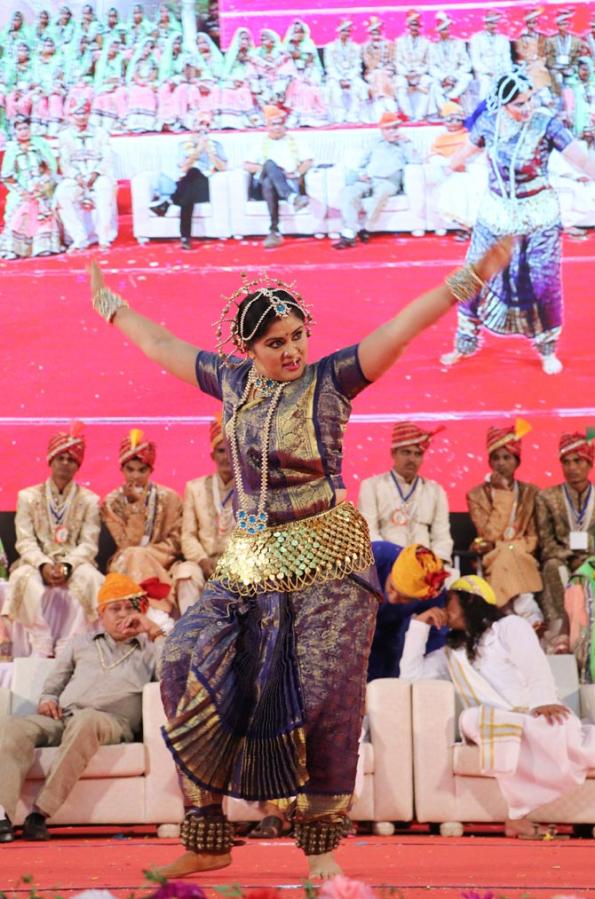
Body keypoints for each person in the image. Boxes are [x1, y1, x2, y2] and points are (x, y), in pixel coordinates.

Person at [88, 229, 512, 879]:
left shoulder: (331, 380)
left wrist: (469, 278)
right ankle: (206, 832)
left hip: (330, 564)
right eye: (274, 342)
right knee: (181, 657)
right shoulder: (230, 382)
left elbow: (397, 330)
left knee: (321, 694)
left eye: (295, 336)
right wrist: (111, 307)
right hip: (251, 563)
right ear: (248, 349)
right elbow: (164, 344)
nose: (291, 350)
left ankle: (319, 851)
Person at [401, 573, 595, 837]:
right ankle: (518, 813)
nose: (445, 610)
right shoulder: (449, 654)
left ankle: (518, 813)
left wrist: (544, 701)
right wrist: (419, 626)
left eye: (450, 602)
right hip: (489, 720)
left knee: (555, 727)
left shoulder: (509, 626)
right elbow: (411, 679)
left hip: (530, 715)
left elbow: (534, 665)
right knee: (474, 718)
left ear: (470, 600)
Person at [439, 69, 595, 375]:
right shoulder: (488, 123)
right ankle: (465, 340)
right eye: (519, 104)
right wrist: (452, 166)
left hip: (538, 216)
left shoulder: (546, 123)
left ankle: (547, 348)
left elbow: (582, 160)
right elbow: (459, 158)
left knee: (544, 282)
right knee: (470, 275)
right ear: (502, 103)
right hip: (495, 214)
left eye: (530, 101)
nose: (527, 109)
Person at [0, 573, 164, 844]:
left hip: (113, 722)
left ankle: (39, 814)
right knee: (10, 726)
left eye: (130, 607)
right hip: (64, 717)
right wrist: (47, 699)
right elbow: (54, 683)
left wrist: (153, 630)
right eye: (115, 608)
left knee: (87, 720)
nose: (124, 614)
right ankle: (2, 814)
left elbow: (174, 674)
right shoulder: (81, 643)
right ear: (101, 614)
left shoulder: (149, 648)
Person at [2, 424, 103, 658]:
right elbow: (24, 541)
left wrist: (68, 565)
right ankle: (40, 639)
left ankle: (72, 642)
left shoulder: (89, 499)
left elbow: (89, 543)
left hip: (74, 563)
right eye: (61, 457)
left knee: (93, 580)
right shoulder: (28, 496)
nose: (65, 463)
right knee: (21, 578)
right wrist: (43, 564)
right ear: (51, 460)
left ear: (78, 465)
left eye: (71, 459)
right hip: (38, 560)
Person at [101, 430, 183, 625]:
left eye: (142, 470)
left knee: (138, 555)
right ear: (122, 469)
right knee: (134, 554)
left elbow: (175, 541)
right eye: (130, 469)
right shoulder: (112, 503)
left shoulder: (169, 497)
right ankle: (152, 616)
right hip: (124, 561)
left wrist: (146, 555)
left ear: (151, 470)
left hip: (161, 561)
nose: (135, 476)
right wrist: (135, 508)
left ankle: (147, 615)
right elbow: (125, 544)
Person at [466, 422, 543, 626]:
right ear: (489, 461)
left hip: (522, 554)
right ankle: (528, 612)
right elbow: (487, 534)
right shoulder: (476, 495)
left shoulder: (531, 493)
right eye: (496, 458)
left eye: (507, 457)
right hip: (491, 556)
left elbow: (534, 536)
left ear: (517, 461)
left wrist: (511, 546)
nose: (501, 463)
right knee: (506, 554)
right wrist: (502, 495)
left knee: (510, 553)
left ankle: (507, 612)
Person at [359, 421, 453, 563]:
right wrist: (392, 558)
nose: (412, 459)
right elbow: (369, 533)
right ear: (393, 453)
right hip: (387, 564)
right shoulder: (372, 486)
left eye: (418, 454)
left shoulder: (436, 491)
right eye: (406, 452)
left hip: (425, 566)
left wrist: (435, 563)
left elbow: (442, 537)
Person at [535, 432, 595, 643]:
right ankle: (565, 625)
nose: (572, 467)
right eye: (566, 462)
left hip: (592, 559)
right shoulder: (547, 497)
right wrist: (570, 557)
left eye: (578, 461)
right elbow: (546, 541)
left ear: (590, 463)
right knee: (552, 565)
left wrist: (586, 558)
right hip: (561, 558)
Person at [333, 111, 420, 249]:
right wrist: (361, 173)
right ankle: (349, 233)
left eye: (395, 128)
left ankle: (365, 229)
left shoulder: (404, 144)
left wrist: (406, 142)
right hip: (368, 178)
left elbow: (416, 162)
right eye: (388, 129)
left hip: (388, 181)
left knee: (380, 195)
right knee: (347, 192)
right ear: (382, 130)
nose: (392, 132)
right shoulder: (374, 143)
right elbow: (361, 163)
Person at [177, 414, 235, 614]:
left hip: (238, 562)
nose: (226, 456)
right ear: (212, 456)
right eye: (221, 450)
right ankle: (190, 634)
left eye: (231, 450)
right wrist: (202, 560)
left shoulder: (251, 491)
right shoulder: (194, 488)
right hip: (204, 561)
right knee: (185, 573)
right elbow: (188, 535)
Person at [368, 542, 447, 681]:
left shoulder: (432, 592)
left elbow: (436, 637)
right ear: (391, 569)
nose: (393, 598)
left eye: (405, 598)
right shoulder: (372, 556)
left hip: (390, 634)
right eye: (392, 587)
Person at [244, 105, 312, 249]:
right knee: (269, 165)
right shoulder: (259, 143)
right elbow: (247, 165)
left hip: (289, 181)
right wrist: (269, 169)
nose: (277, 127)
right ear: (267, 126)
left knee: (270, 182)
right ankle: (291, 198)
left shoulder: (295, 141)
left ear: (284, 125)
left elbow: (308, 161)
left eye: (279, 124)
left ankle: (274, 231)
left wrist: (296, 173)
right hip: (260, 187)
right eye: (273, 124)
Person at [55, 99, 117, 253]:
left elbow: (108, 158)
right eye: (78, 113)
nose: (81, 117)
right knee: (62, 195)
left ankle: (104, 237)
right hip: (76, 177)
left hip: (97, 174)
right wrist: (76, 176)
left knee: (105, 188)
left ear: (89, 114)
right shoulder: (64, 135)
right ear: (72, 116)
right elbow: (64, 163)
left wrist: (95, 173)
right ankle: (79, 238)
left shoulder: (100, 132)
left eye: (84, 113)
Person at [0, 115, 62, 260]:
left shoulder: (40, 144)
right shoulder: (13, 149)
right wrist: (22, 191)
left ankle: (44, 246)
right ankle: (16, 248)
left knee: (42, 203)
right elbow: (6, 175)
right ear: (15, 131)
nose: (23, 132)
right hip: (21, 189)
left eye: (26, 128)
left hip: (43, 186)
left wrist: (42, 184)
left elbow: (51, 167)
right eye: (19, 129)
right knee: (23, 205)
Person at [428, 12, 472, 118]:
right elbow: (432, 66)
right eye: (443, 29)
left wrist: (454, 76)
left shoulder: (459, 43)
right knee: (433, 83)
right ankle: (446, 111)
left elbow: (466, 64)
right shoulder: (432, 46)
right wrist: (444, 77)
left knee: (468, 77)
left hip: (456, 75)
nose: (446, 31)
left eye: (447, 28)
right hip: (441, 77)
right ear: (438, 31)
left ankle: (450, 97)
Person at [324, 20, 368, 125]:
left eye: (348, 31)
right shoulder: (330, 48)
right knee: (333, 88)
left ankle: (353, 115)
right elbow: (329, 66)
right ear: (338, 32)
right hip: (335, 77)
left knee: (359, 86)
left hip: (352, 77)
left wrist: (349, 78)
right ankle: (339, 115)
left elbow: (357, 66)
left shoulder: (356, 47)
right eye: (344, 31)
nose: (346, 33)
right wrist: (340, 79)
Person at [394, 9, 432, 122]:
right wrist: (406, 73)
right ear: (408, 26)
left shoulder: (426, 42)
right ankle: (408, 114)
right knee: (400, 83)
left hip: (420, 73)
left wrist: (418, 72)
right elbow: (397, 61)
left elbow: (428, 62)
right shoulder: (400, 41)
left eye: (416, 25)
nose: (414, 28)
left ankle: (420, 115)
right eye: (412, 25)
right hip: (404, 73)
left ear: (419, 26)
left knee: (429, 82)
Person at [470, 11, 512, 101]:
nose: (494, 26)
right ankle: (483, 109)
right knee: (486, 84)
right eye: (491, 23)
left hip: (500, 71)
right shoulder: (476, 38)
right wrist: (488, 71)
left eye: (496, 23)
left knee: (507, 83)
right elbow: (475, 60)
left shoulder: (503, 39)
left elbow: (507, 59)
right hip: (483, 73)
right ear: (486, 24)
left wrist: (506, 72)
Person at [362, 17, 396, 120]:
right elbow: (369, 65)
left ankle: (387, 106)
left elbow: (393, 62)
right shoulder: (366, 47)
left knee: (382, 75)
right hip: (372, 73)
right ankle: (381, 106)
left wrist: (386, 69)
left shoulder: (389, 45)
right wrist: (376, 51)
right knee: (377, 74)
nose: (376, 36)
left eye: (378, 32)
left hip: (387, 72)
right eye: (373, 33)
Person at [513, 8, 551, 101]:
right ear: (526, 24)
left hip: (540, 64)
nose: (532, 25)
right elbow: (520, 53)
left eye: (534, 22)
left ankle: (546, 100)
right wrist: (529, 61)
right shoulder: (521, 38)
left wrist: (541, 60)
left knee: (540, 71)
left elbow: (546, 52)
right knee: (532, 73)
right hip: (527, 66)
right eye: (530, 23)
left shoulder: (542, 37)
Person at [546, 8, 582, 100]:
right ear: (557, 25)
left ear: (569, 25)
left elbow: (577, 56)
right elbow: (548, 56)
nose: (564, 27)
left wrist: (572, 67)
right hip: (555, 68)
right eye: (561, 24)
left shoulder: (576, 40)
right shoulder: (551, 39)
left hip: (570, 67)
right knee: (555, 78)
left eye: (565, 24)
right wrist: (555, 66)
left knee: (573, 81)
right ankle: (557, 98)